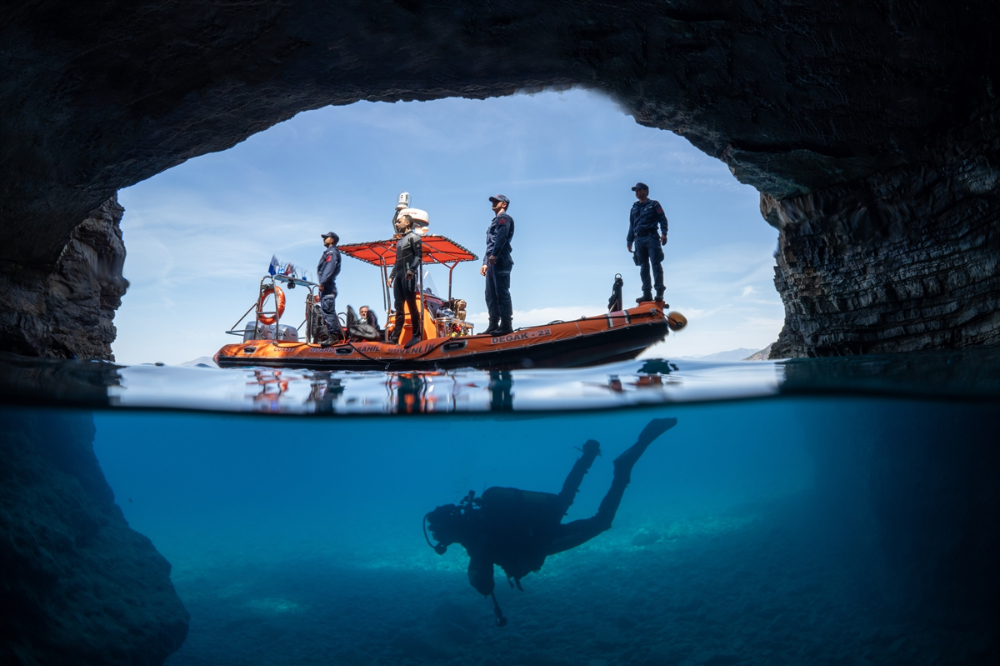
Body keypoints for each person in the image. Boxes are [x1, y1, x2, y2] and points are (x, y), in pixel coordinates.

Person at [424, 417, 678, 625]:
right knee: (565, 496)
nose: (438, 539)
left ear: (450, 530)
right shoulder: (479, 519)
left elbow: (484, 585)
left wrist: (477, 566)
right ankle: (589, 456)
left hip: (543, 539)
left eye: (438, 534)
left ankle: (622, 469)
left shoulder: (476, 541)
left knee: (601, 522)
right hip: (542, 517)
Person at [626, 182, 669, 303]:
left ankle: (659, 292)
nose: (637, 192)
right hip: (639, 240)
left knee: (656, 264)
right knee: (643, 267)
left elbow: (662, 219)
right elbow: (632, 225)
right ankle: (646, 294)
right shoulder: (634, 207)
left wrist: (664, 233)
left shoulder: (654, 204)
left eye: (639, 190)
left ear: (646, 191)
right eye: (635, 191)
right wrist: (629, 241)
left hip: (651, 238)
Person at [480, 194, 515, 335]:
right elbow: (490, 244)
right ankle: (493, 325)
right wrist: (485, 262)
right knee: (490, 294)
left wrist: (495, 255)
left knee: (501, 292)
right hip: (491, 261)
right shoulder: (494, 221)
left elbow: (501, 237)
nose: (493, 203)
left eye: (496, 201)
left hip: (501, 259)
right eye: (492, 201)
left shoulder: (504, 218)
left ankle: (506, 325)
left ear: (504, 204)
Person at [388, 213, 423, 347]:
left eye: (399, 221)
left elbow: (418, 256)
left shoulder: (414, 237)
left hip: (409, 275)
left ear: (407, 223)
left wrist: (412, 270)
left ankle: (416, 335)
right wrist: (391, 276)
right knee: (398, 307)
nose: (397, 224)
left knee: (411, 304)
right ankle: (395, 337)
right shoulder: (399, 242)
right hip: (399, 277)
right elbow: (397, 262)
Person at [316, 231, 344, 345]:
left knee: (328, 311)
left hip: (327, 287)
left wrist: (322, 282)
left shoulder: (331, 252)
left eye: (326, 238)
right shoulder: (330, 252)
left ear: (332, 240)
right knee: (326, 311)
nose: (324, 239)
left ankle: (333, 337)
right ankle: (332, 335)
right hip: (327, 287)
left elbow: (329, 268)